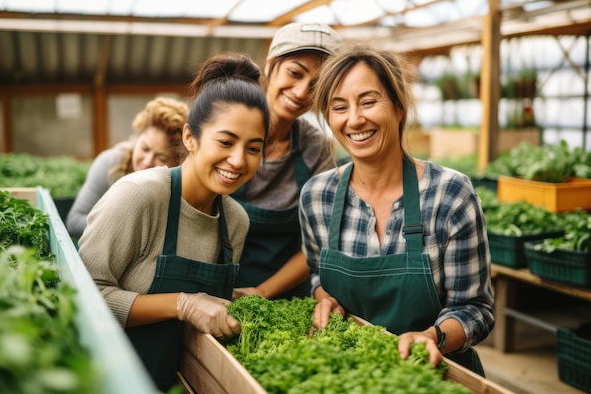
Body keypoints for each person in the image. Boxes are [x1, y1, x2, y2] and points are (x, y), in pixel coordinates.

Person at [78, 52, 270, 392]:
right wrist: (184, 303)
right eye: (225, 142)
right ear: (189, 138)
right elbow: (83, 295)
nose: (238, 160)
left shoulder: (235, 222)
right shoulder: (140, 196)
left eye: (253, 148)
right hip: (104, 379)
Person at [299, 44, 494, 376]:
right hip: (350, 376)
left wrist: (433, 336)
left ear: (399, 107)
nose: (355, 119)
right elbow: (318, 274)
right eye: (339, 107)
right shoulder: (317, 196)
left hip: (433, 374)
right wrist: (323, 297)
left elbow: (475, 309)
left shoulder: (450, 195)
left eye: (369, 101)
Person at [232, 22, 342, 300]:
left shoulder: (315, 146)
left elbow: (317, 244)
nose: (303, 91)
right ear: (270, 67)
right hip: (216, 293)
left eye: (316, 85)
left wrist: (260, 293)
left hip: (288, 296)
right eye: (295, 73)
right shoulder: (227, 128)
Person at [66, 97, 189, 238]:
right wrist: (124, 229)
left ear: (177, 161)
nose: (148, 161)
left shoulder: (181, 184)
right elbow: (74, 221)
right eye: (145, 148)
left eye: (161, 158)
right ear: (137, 138)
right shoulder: (110, 163)